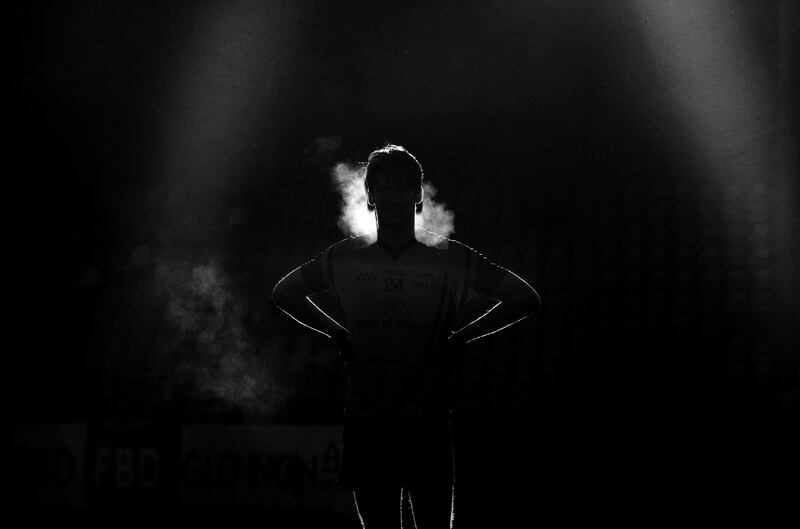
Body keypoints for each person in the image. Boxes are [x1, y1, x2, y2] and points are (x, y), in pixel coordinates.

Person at [271, 144, 541, 528]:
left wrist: (462, 337)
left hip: (425, 418)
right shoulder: (345, 256)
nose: (393, 196)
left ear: (417, 194)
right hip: (368, 419)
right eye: (385, 188)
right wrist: (336, 332)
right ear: (370, 195)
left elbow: (525, 297)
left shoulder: (451, 256)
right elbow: (283, 293)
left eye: (402, 188)